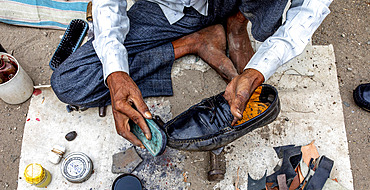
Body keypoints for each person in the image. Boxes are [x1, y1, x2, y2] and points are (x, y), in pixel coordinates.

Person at [51, 0, 332, 148]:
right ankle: (195, 40)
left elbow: (311, 7)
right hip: (173, 11)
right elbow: (108, 5)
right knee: (71, 81)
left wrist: (259, 68)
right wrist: (116, 74)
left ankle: (237, 22)